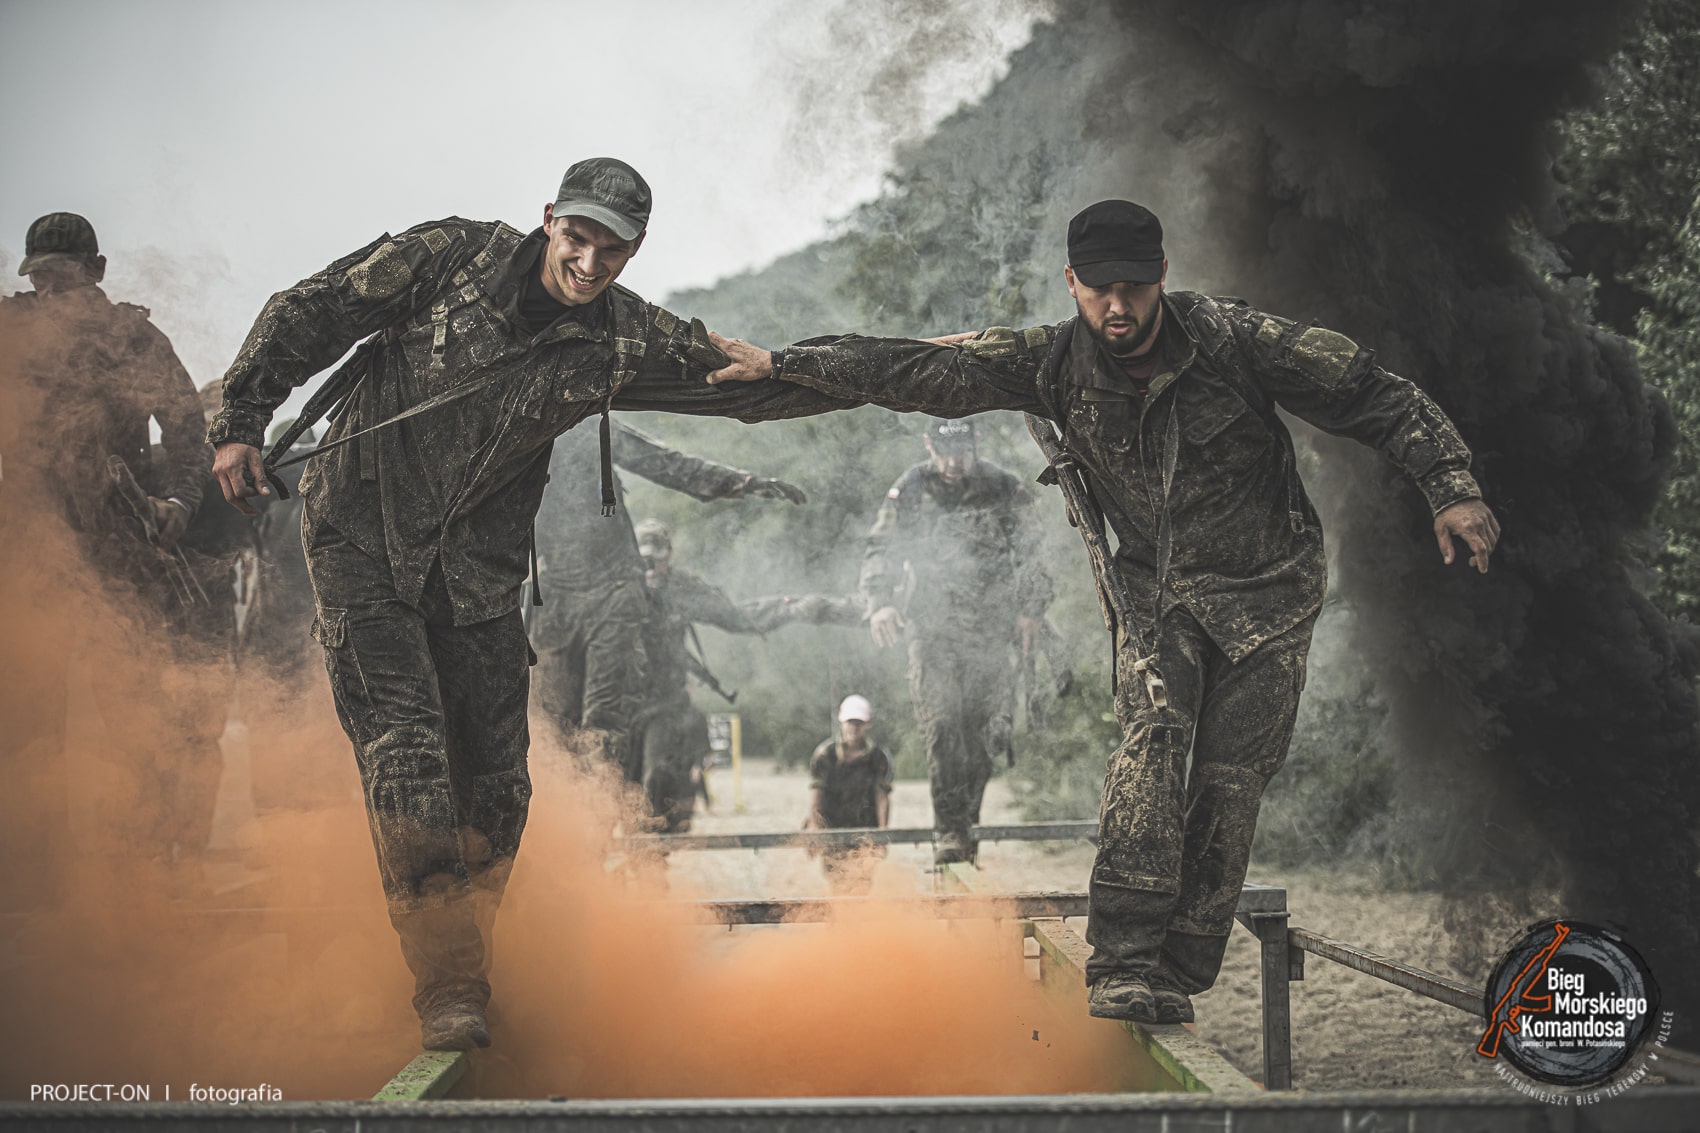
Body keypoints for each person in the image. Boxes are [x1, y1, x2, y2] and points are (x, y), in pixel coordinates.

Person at [706, 198, 1501, 1026]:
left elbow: (1368, 388)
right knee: (1152, 745)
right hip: (1156, 594)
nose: (1117, 307)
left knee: (1231, 784)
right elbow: (915, 369)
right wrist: (784, 363)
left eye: (1133, 288)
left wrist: (1450, 483)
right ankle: (1121, 962)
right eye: (1098, 290)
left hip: (1269, 594)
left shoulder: (1233, 339)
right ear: (1071, 282)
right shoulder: (1050, 361)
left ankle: (1180, 969)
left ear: (1162, 277)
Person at [205, 158, 855, 1050]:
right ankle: (448, 981)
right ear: (549, 218)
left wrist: (856, 370)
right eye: (576, 238)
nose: (588, 263)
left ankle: (471, 951)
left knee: (500, 785)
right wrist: (242, 419)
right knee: (406, 749)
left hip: (478, 574)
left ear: (635, 251)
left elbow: (747, 386)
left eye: (611, 251)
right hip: (360, 533)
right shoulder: (445, 257)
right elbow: (308, 311)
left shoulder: (621, 339)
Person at [0, 212, 214, 907]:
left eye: (64, 278)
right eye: (41, 279)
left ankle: (144, 879)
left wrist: (179, 501)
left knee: (135, 712)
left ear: (96, 270)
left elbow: (187, 430)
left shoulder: (134, 340)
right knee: (26, 723)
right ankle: (33, 889)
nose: (52, 293)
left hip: (122, 552)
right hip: (28, 558)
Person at [530, 420, 804, 784]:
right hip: (554, 594)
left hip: (613, 590)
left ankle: (594, 811)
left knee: (603, 719)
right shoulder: (516, 437)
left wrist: (743, 482)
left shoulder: (591, 428)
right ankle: (552, 807)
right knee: (548, 720)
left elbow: (668, 463)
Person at [861, 416, 1052, 865]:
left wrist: (1032, 610)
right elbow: (882, 546)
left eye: (961, 453)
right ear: (928, 445)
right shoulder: (911, 486)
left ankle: (968, 828)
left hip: (991, 628)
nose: (952, 463)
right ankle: (950, 830)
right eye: (944, 453)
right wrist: (880, 601)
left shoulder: (1001, 486)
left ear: (975, 444)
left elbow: (1033, 550)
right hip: (933, 628)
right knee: (943, 724)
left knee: (984, 732)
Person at [804, 694, 894, 894]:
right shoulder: (825, 754)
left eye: (859, 723)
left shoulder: (878, 757)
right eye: (850, 722)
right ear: (841, 723)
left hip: (865, 826)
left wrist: (882, 833)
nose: (854, 728)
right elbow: (817, 794)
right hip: (832, 826)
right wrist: (814, 828)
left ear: (867, 725)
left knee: (862, 881)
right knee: (836, 880)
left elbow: (882, 797)